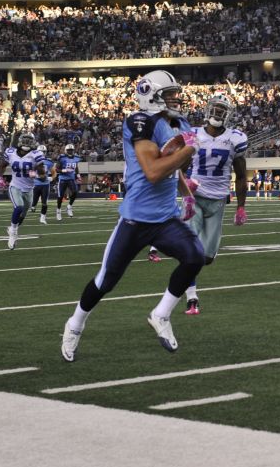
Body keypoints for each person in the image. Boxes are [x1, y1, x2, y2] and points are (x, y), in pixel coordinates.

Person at [61, 70, 206, 362]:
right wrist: (190, 147)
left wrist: (186, 191)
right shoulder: (139, 121)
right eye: (169, 94)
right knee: (106, 280)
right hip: (135, 220)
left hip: (165, 219)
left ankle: (161, 314)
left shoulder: (180, 123)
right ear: (151, 94)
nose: (175, 99)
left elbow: (172, 164)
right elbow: (153, 171)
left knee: (194, 257)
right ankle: (75, 323)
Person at [182, 93, 249, 315]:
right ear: (208, 110)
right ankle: (191, 297)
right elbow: (179, 168)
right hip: (195, 196)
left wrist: (241, 206)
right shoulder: (193, 134)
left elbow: (240, 176)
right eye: (216, 109)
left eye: (223, 110)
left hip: (218, 199)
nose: (218, 113)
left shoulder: (235, 138)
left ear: (228, 115)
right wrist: (185, 189)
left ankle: (188, 277)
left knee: (207, 257)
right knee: (190, 249)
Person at [0, 131, 47, 250]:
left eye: (29, 140)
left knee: (23, 214)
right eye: (25, 140)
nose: (27, 143)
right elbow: (2, 166)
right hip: (15, 186)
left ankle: (14, 228)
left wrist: (37, 174)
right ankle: (13, 232)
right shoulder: (10, 152)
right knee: (18, 207)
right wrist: (0, 178)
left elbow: (42, 173)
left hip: (29, 189)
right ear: (20, 141)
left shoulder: (36, 154)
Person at [54, 143, 82, 220]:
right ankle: (58, 210)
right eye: (69, 150)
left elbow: (76, 167)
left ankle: (69, 206)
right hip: (62, 179)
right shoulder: (61, 158)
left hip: (71, 178)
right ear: (66, 150)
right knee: (60, 196)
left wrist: (78, 175)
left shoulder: (76, 158)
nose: (70, 152)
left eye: (71, 150)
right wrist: (64, 170)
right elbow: (56, 169)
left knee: (75, 192)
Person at [33, 144, 54, 224]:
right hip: (36, 184)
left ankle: (42, 217)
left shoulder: (48, 162)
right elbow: (30, 172)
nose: (42, 153)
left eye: (43, 152)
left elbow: (54, 172)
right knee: (34, 201)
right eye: (40, 152)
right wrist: (36, 176)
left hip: (45, 184)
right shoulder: (34, 161)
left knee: (45, 202)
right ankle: (33, 206)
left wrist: (51, 178)